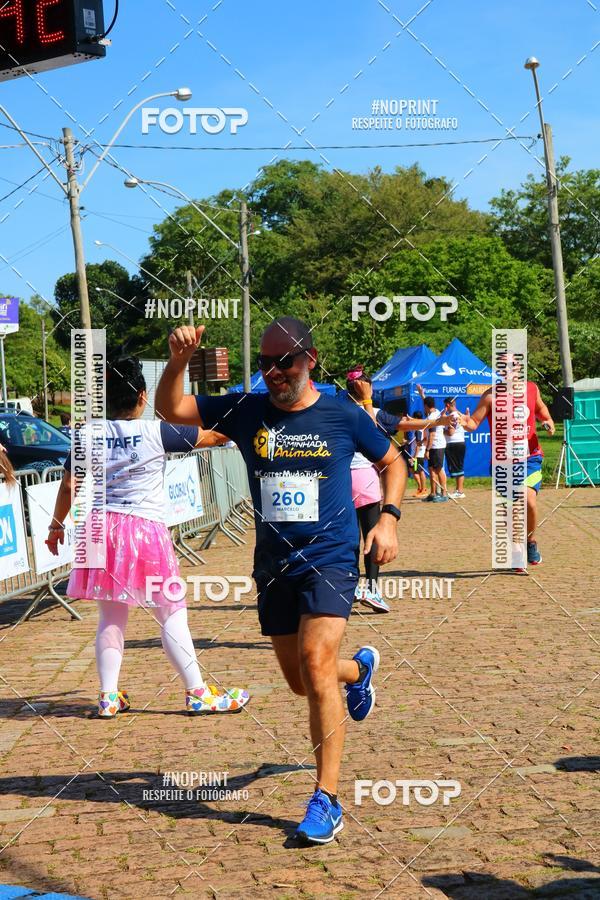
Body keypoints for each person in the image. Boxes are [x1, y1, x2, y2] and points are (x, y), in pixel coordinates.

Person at [155, 318, 405, 845]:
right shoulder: (247, 410)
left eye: (284, 362)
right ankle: (357, 671)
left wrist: (387, 519)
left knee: (314, 669)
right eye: (265, 363)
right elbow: (171, 411)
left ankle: (327, 799)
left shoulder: (341, 413)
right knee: (301, 681)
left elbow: (392, 461)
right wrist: (178, 361)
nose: (273, 372)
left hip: (332, 558)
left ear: (309, 359)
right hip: (274, 566)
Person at [46, 357, 249, 718]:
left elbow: (68, 485)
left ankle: (109, 697)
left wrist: (56, 526)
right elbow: (215, 437)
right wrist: (245, 419)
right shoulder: (159, 431)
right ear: (142, 395)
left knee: (110, 617)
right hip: (144, 530)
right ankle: (197, 692)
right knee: (171, 613)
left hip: (100, 529)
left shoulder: (86, 434)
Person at [459, 362, 555, 566]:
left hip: (530, 457)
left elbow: (541, 410)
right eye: (503, 367)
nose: (508, 370)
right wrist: (463, 421)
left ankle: (530, 541)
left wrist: (548, 421)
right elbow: (473, 423)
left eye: (513, 365)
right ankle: (517, 550)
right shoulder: (490, 396)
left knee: (527, 501)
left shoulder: (532, 388)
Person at [416, 386, 448, 503]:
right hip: (433, 446)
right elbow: (427, 403)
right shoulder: (434, 413)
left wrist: (427, 450)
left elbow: (432, 435)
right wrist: (422, 394)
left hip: (437, 446)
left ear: (426, 406)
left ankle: (444, 493)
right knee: (431, 470)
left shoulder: (433, 417)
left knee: (439, 469)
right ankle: (433, 493)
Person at [443, 396, 466, 499]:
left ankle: (460, 491)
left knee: (458, 467)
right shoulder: (458, 414)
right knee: (458, 467)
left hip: (454, 443)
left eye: (445, 405)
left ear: (448, 405)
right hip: (458, 443)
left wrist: (441, 430)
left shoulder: (452, 415)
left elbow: (451, 432)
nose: (445, 407)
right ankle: (458, 490)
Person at [411, 410, 428, 497]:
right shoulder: (422, 427)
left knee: (420, 472)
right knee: (415, 470)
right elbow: (425, 439)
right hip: (419, 453)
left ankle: (423, 489)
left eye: (413, 418)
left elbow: (418, 444)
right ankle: (421, 488)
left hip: (418, 454)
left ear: (416, 418)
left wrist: (414, 456)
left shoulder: (418, 429)